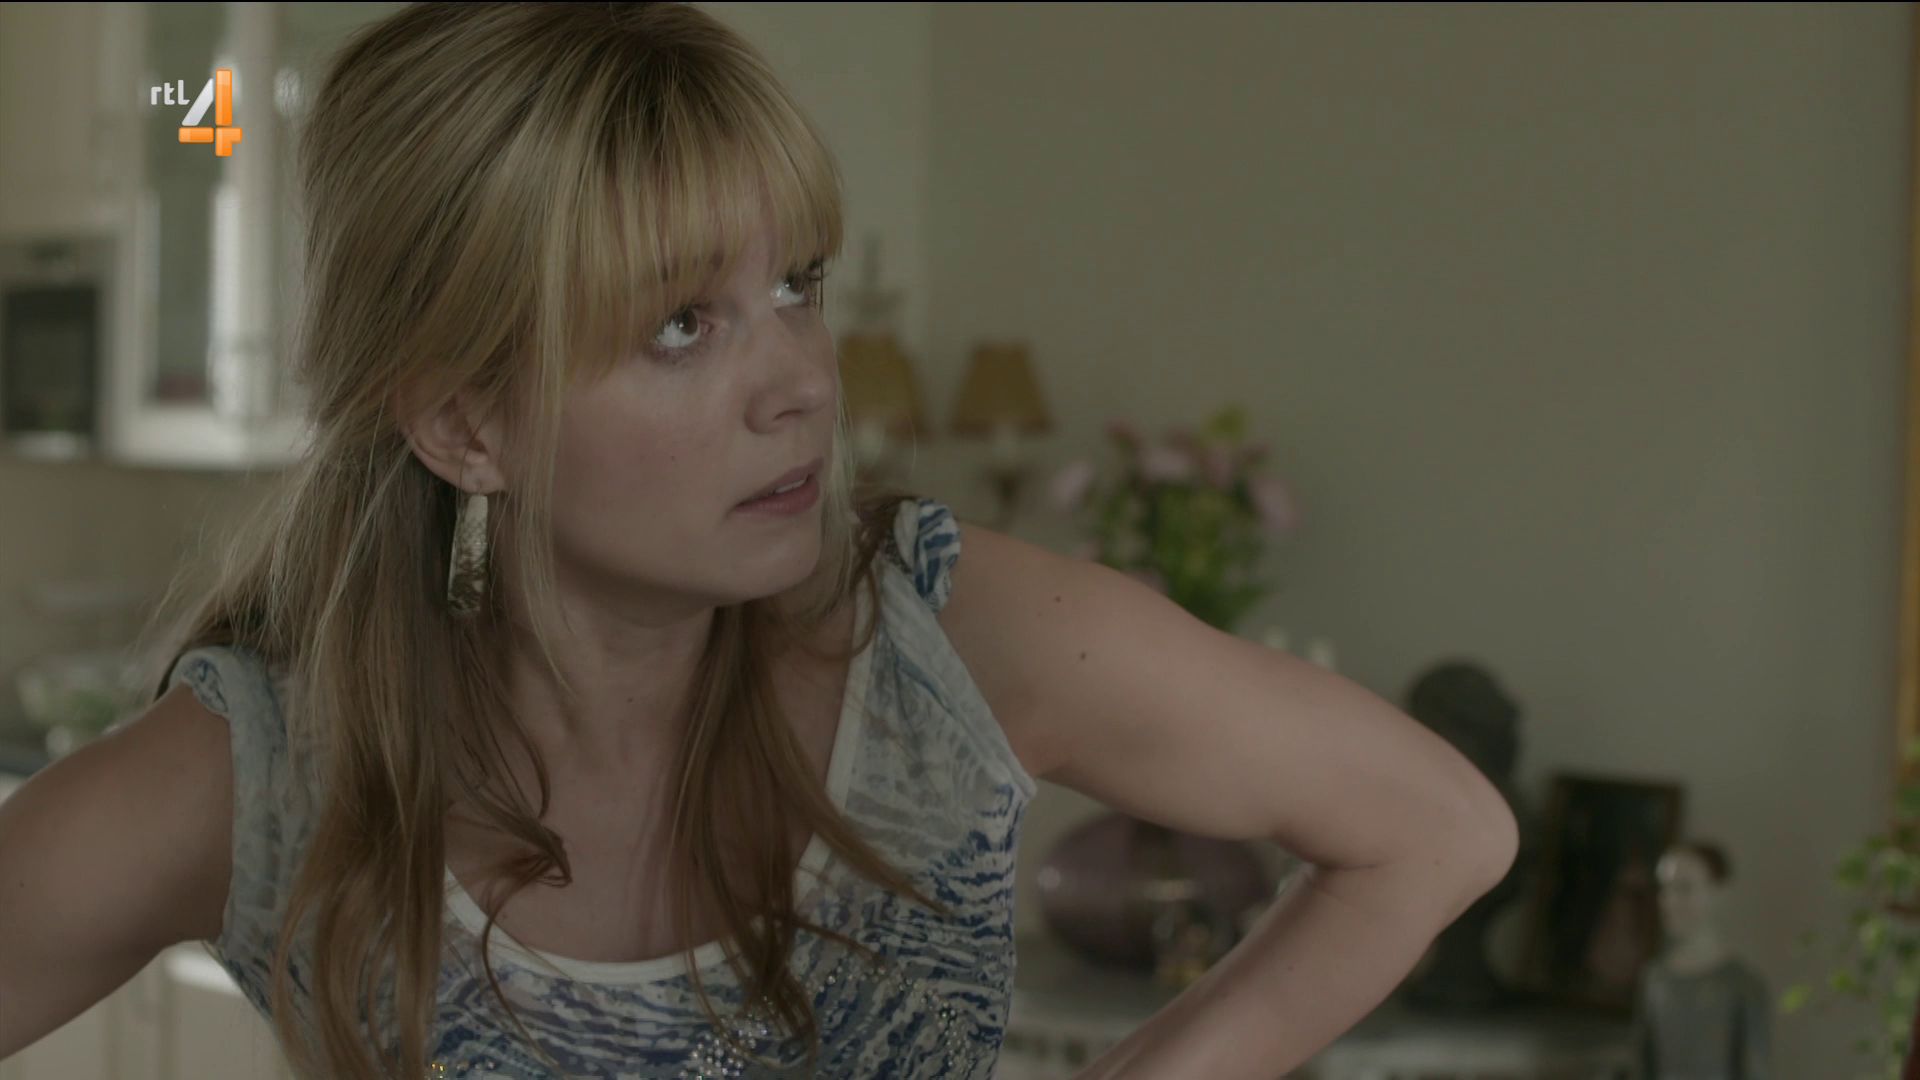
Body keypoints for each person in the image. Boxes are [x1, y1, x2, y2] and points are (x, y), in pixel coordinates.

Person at [0, 4, 1517, 1078]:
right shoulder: (265, 777)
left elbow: (1437, 829)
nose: (800, 381)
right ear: (466, 425)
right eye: (681, 325)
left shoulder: (949, 642)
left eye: (798, 286)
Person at [1632, 841, 1770, 1080]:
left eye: (1684, 888)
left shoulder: (1743, 986)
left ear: (1718, 893)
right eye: (1665, 888)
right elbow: (1643, 1067)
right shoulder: (1654, 978)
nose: (1669, 901)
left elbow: (1755, 1071)